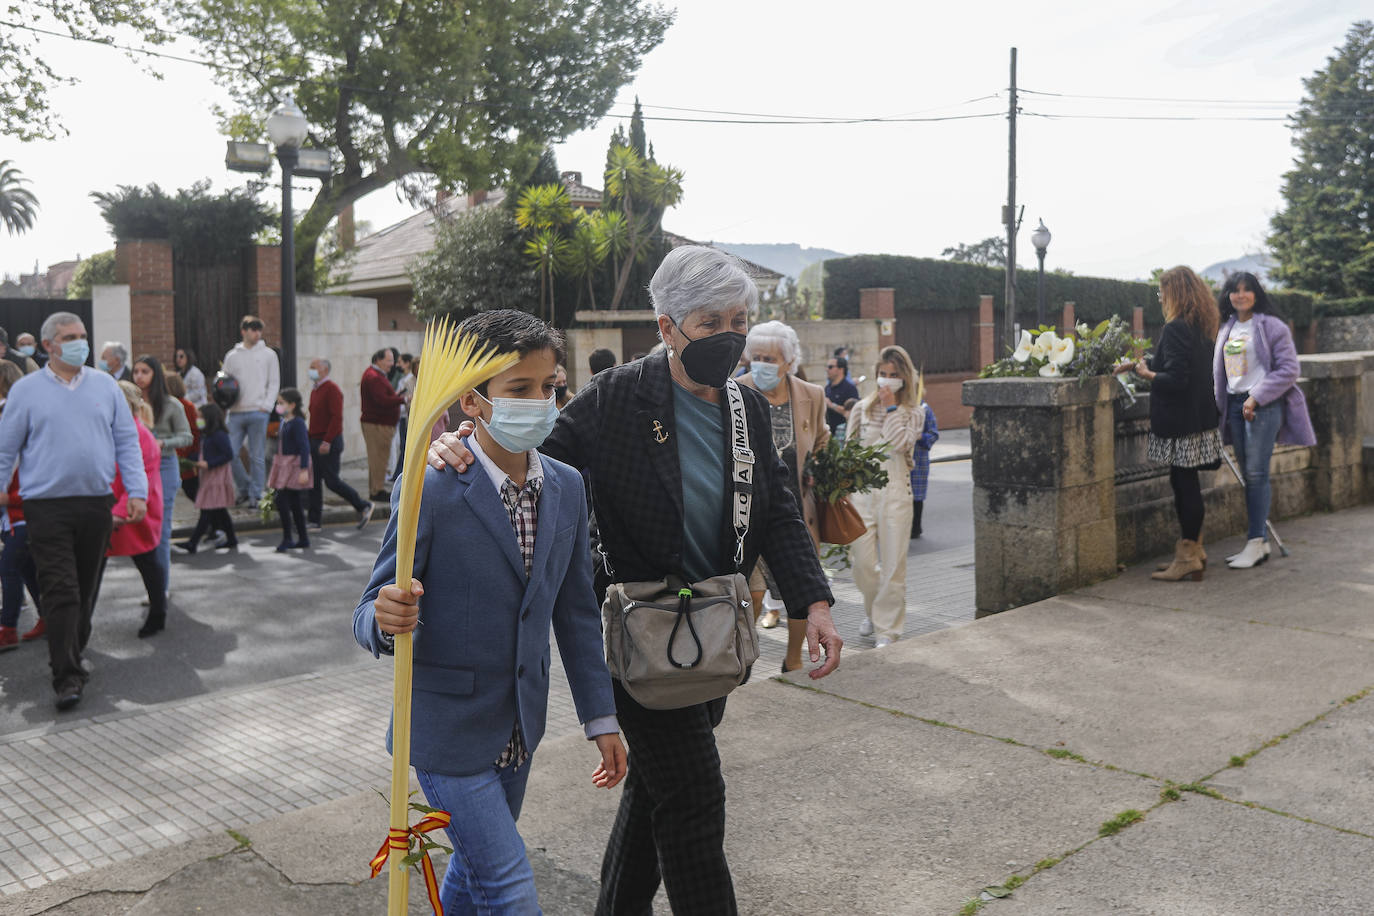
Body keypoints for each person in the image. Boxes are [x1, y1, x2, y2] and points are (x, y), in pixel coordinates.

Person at [428, 246, 842, 915]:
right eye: (711, 322)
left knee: (654, 794)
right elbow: (531, 461)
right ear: (667, 327)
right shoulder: (620, 397)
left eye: (739, 318)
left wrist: (813, 602)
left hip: (715, 632)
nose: (730, 335)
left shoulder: (749, 410)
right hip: (639, 640)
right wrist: (460, 445)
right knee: (695, 797)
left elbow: (779, 514)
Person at [357, 309, 627, 913]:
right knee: (509, 887)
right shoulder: (430, 483)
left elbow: (576, 613)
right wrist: (383, 616)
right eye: (520, 389)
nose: (541, 401)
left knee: (473, 875)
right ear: (475, 400)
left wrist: (600, 717)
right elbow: (369, 607)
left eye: (550, 387)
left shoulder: (567, 485)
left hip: (519, 731)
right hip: (445, 734)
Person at [0, 312, 147, 710]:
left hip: (96, 505)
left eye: (82, 336)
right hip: (45, 507)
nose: (79, 343)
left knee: (85, 589)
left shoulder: (106, 387)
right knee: (61, 590)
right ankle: (65, 675)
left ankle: (73, 651)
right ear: (49, 345)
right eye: (70, 337)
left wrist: (137, 492)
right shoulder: (26, 392)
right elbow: (4, 450)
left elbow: (127, 442)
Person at [1116, 266, 1222, 581]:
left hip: (1181, 423)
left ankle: (1188, 556)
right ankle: (1195, 552)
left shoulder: (1176, 327)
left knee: (1184, 485)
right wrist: (1138, 364)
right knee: (1186, 484)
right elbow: (1178, 366)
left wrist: (1147, 375)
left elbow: (1175, 378)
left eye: (1162, 291)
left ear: (1175, 292)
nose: (1160, 297)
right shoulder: (1202, 326)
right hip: (1199, 419)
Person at [737, 319, 829, 674]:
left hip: (793, 514)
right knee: (751, 593)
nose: (760, 364)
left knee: (799, 590)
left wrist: (817, 468)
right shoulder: (735, 389)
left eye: (770, 358)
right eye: (755, 356)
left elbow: (820, 439)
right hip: (745, 513)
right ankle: (741, 660)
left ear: (789, 361)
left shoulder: (811, 395)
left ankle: (792, 660)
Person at [1213, 271, 1316, 569]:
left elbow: (1288, 369)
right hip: (1234, 404)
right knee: (1248, 474)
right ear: (1228, 295)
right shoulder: (1227, 328)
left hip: (1262, 406)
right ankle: (1259, 543)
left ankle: (1255, 542)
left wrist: (1256, 396)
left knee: (1257, 474)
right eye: (1234, 290)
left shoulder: (1272, 326)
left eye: (1247, 290)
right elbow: (1222, 373)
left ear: (1256, 294)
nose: (1240, 295)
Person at [847, 345, 925, 648]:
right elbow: (850, 449)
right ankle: (873, 609)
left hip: (896, 492)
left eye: (893, 375)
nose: (886, 380)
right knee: (861, 563)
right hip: (862, 493)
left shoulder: (913, 414)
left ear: (904, 379)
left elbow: (901, 443)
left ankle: (887, 630)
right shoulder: (860, 408)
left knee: (894, 566)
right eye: (882, 374)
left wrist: (891, 408)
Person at [98, 380, 166, 637]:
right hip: (112, 507)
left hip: (133, 510)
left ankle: (158, 613)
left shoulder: (140, 435)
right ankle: (80, 625)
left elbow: (142, 477)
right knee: (95, 569)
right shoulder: (114, 431)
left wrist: (118, 512)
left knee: (147, 562)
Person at [132, 355, 192, 603]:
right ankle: (154, 586)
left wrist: (163, 443)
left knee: (162, 529)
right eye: (135, 371)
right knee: (142, 529)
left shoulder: (171, 404)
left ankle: (160, 589)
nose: (138, 376)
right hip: (137, 467)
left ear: (155, 374)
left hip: (164, 466)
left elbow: (187, 437)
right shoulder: (131, 403)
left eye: (144, 371)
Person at [306, 358, 373, 530]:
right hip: (315, 440)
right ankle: (314, 520)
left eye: (314, 368)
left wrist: (327, 441)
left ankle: (362, 505)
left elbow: (336, 418)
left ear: (325, 370)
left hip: (328, 442)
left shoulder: (332, 389)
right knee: (314, 482)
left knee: (331, 481)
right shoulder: (316, 390)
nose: (310, 370)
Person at [0, 361, 40, 649]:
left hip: (20, 509)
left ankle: (7, 628)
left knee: (10, 568)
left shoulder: (13, 415)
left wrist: (10, 498)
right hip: (12, 512)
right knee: (25, 568)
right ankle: (50, 616)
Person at [222, 315, 281, 506]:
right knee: (229, 452)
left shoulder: (269, 355)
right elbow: (224, 382)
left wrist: (266, 406)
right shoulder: (232, 355)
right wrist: (226, 405)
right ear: (243, 331)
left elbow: (274, 382)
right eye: (253, 329)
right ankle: (244, 488)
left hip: (258, 411)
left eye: (259, 330)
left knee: (257, 456)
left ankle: (257, 494)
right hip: (236, 411)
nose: (257, 334)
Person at [176, 403, 238, 553]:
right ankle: (231, 539)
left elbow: (228, 454)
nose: (198, 419)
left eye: (200, 417)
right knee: (219, 510)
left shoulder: (219, 435)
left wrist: (209, 463)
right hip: (209, 476)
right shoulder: (209, 434)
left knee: (207, 510)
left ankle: (193, 543)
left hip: (215, 477)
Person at [268, 388, 312, 552]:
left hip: (293, 466)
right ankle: (303, 537)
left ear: (292, 405)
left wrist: (303, 469)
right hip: (284, 465)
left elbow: (304, 446)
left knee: (282, 500)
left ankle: (288, 537)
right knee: (294, 503)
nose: (278, 406)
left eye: (281, 403)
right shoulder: (285, 421)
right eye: (278, 403)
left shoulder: (298, 423)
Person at [360, 347, 407, 501]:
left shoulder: (376, 375)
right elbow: (382, 401)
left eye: (392, 360)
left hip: (379, 423)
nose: (392, 364)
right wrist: (403, 399)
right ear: (378, 360)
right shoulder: (374, 377)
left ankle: (376, 488)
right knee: (378, 458)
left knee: (379, 458)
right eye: (389, 360)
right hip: (377, 424)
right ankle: (377, 490)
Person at [165, 371, 202, 503]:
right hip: (182, 452)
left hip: (183, 454)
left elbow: (193, 431)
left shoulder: (183, 406)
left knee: (192, 489)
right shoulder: (187, 405)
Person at [910, 402, 940, 538]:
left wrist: (920, 436)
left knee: (916, 495)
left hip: (918, 458)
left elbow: (933, 434)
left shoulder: (924, 408)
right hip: (899, 460)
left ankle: (915, 527)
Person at [390, 352, 416, 483]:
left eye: (400, 362)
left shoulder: (408, 381)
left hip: (408, 417)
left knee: (405, 447)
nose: (397, 365)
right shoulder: (404, 380)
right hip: (405, 416)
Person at [823, 354, 859, 435]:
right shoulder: (827, 388)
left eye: (830, 367)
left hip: (844, 434)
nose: (827, 369)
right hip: (829, 434)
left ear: (841, 369)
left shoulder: (850, 388)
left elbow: (853, 412)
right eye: (827, 367)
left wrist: (832, 405)